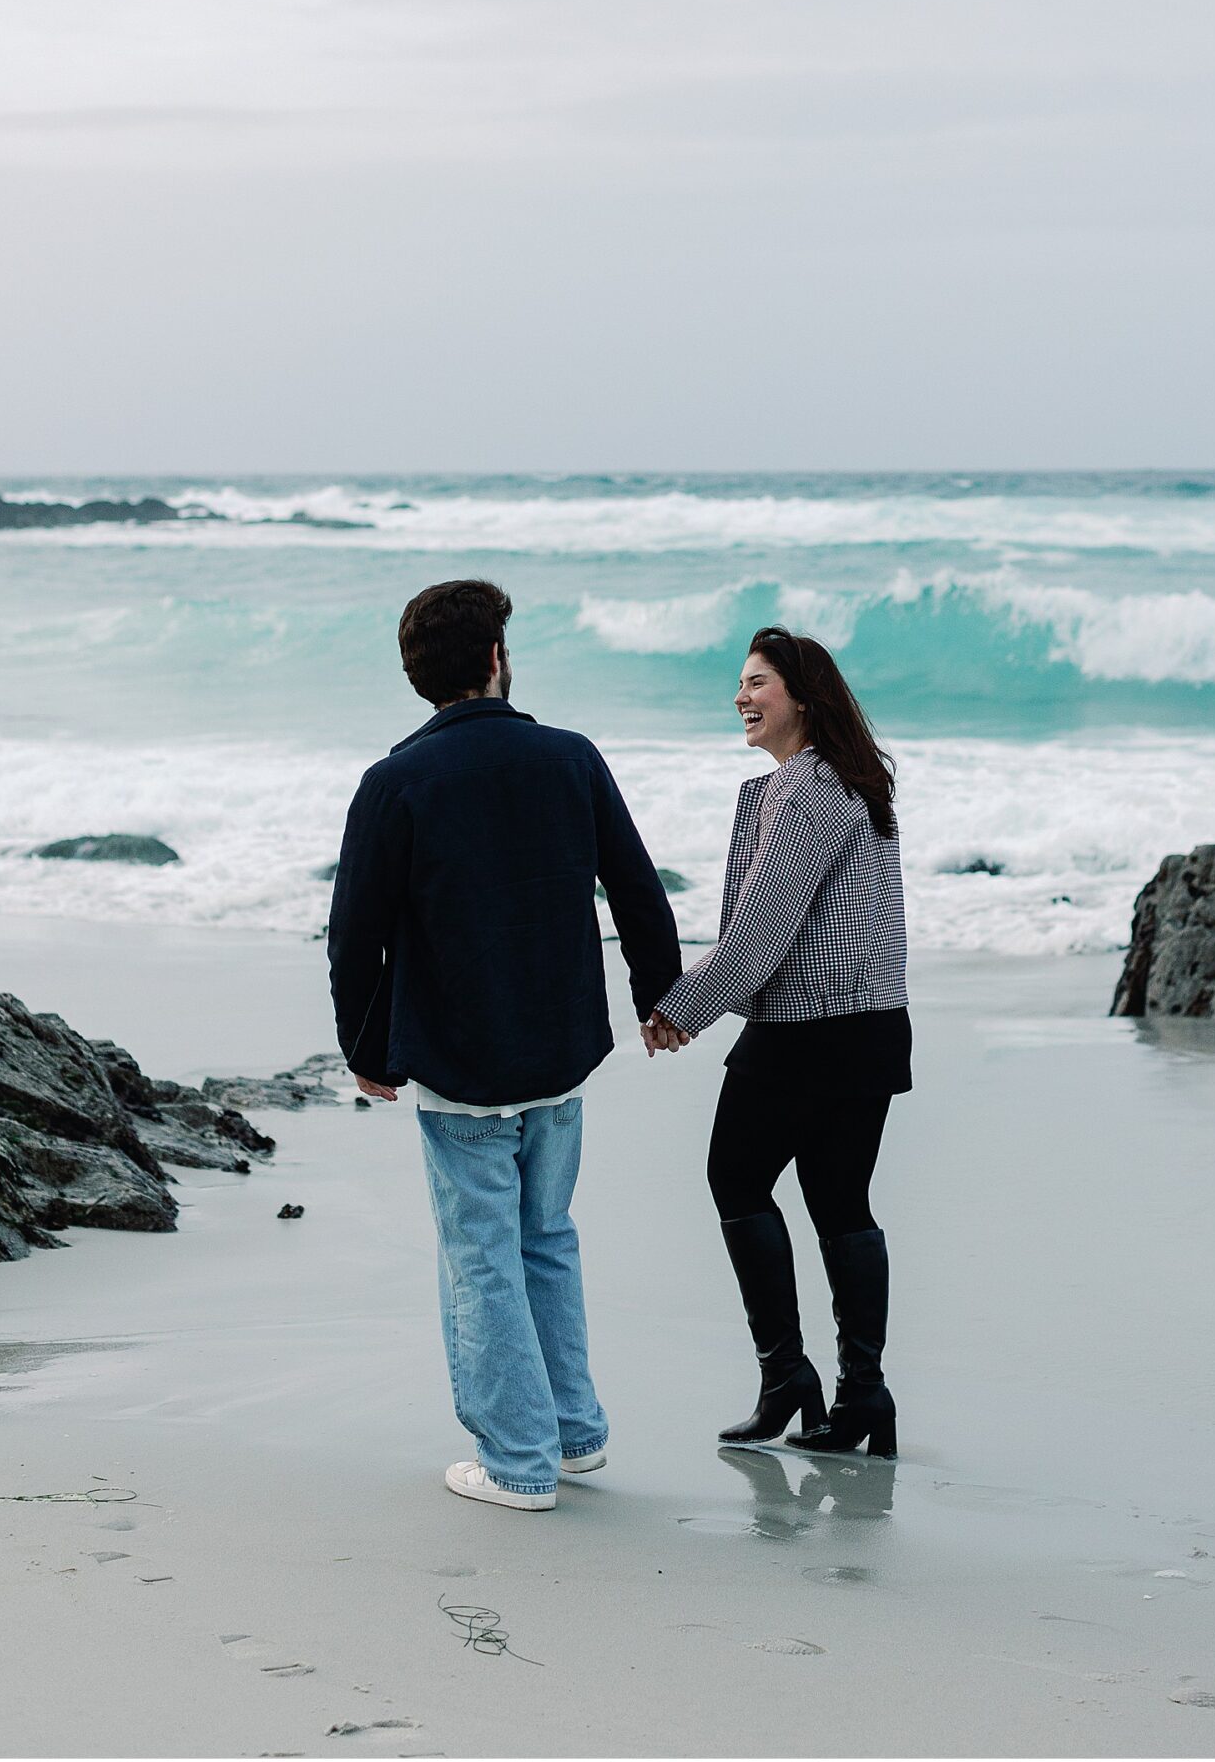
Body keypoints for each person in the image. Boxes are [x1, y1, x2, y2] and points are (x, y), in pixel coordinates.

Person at [327, 577, 681, 1513]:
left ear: (419, 674)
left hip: (460, 1055)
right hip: (559, 1046)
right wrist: (658, 998)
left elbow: (354, 933)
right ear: (495, 659)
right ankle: (571, 1434)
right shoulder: (568, 757)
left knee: (482, 1252)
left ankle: (519, 1463)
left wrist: (365, 1048)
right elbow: (636, 889)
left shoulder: (395, 781)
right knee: (546, 1237)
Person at [644, 626, 910, 1458]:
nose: (741, 697)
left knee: (735, 1178)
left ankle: (787, 1376)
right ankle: (861, 1395)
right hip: (870, 1026)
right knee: (840, 1205)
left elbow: (762, 930)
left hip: (808, 1028)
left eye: (757, 682)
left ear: (802, 694)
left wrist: (684, 1006)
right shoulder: (855, 783)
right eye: (740, 682)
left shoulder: (803, 791)